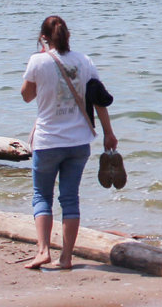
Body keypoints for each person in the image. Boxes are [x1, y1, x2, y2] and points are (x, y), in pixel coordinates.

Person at [20, 15, 118, 269]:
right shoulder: (84, 61)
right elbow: (99, 99)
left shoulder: (37, 61)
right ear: (68, 36)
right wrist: (108, 132)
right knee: (70, 199)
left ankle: (43, 251)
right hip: (78, 142)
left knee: (42, 195)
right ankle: (66, 257)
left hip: (48, 140)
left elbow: (26, 96)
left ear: (43, 38)